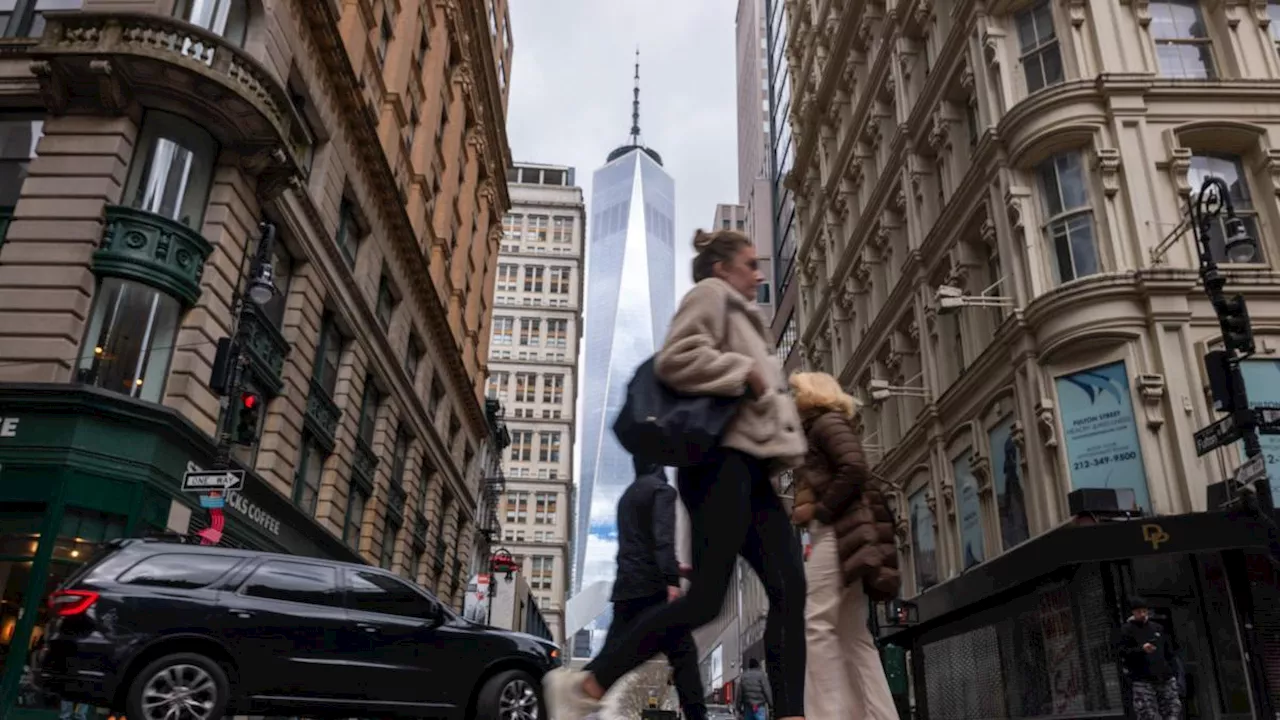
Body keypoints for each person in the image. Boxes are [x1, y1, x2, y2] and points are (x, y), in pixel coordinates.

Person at [544, 228, 809, 720]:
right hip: (719, 466)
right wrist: (744, 373)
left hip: (750, 470)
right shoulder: (711, 296)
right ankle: (588, 684)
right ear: (721, 268)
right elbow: (675, 359)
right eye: (750, 264)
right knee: (707, 600)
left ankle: (792, 713)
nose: (758, 274)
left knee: (790, 587)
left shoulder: (740, 311)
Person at [789, 372, 899, 720]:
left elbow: (854, 468)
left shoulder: (825, 423)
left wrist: (820, 510)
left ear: (810, 394)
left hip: (839, 531)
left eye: (795, 391)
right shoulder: (825, 426)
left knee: (816, 622)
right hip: (848, 533)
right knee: (852, 632)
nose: (791, 398)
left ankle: (827, 713)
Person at [597, 457, 706, 720]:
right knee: (684, 657)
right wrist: (672, 581)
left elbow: (639, 546)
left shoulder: (628, 496)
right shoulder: (661, 491)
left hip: (626, 589)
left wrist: (678, 569)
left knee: (607, 659)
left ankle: (566, 700)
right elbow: (662, 539)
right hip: (652, 590)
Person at [1117, 597, 1182, 720]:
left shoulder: (1157, 628)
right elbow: (1122, 652)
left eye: (1144, 611)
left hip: (1165, 676)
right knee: (1147, 713)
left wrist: (1173, 672)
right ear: (1133, 613)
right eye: (1138, 612)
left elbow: (1168, 651)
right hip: (1142, 678)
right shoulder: (1126, 630)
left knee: (1172, 711)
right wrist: (1141, 649)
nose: (1142, 614)